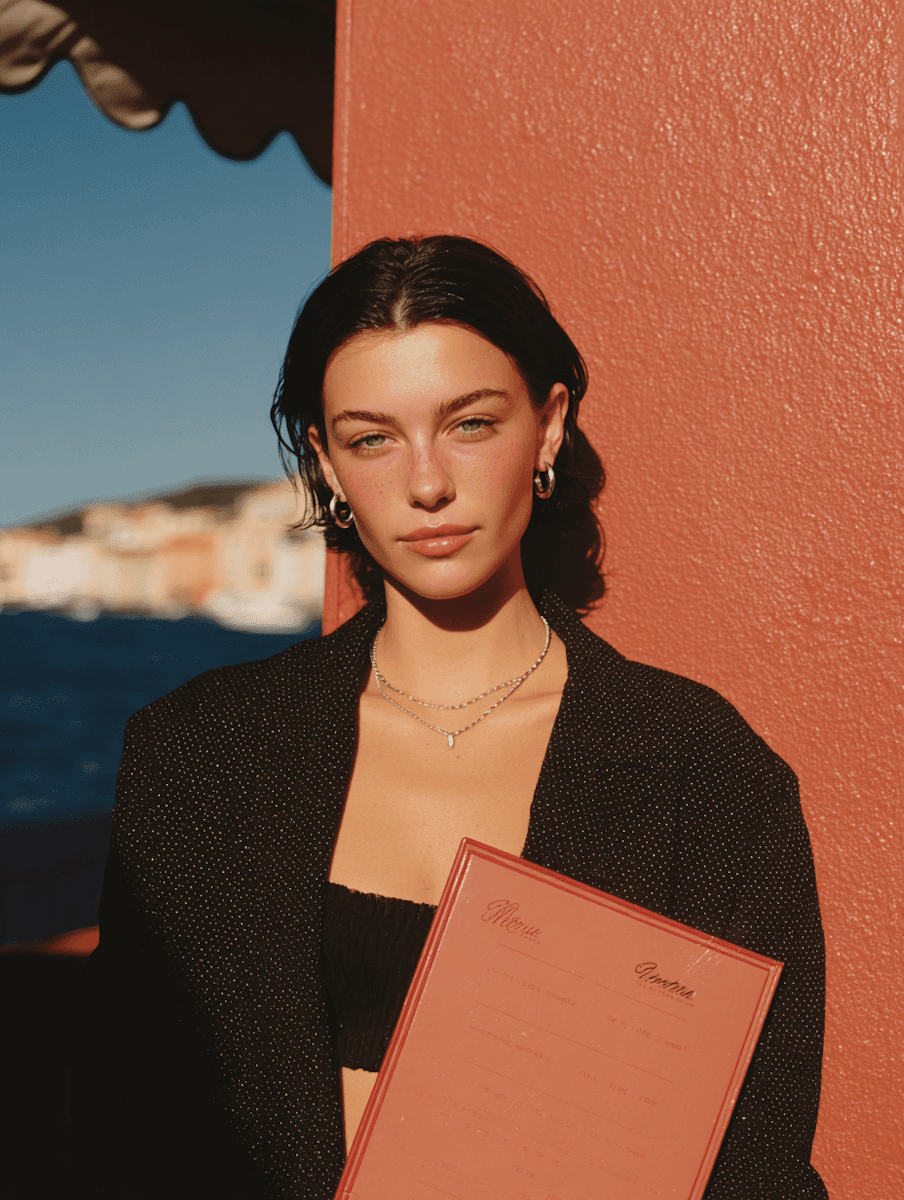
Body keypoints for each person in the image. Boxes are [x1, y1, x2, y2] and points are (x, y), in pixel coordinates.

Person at [71, 236, 828, 1199]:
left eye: (469, 425)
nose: (426, 484)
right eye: (373, 437)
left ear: (549, 427)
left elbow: (755, 1168)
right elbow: (122, 1128)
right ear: (326, 461)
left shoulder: (699, 773)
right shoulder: (201, 755)